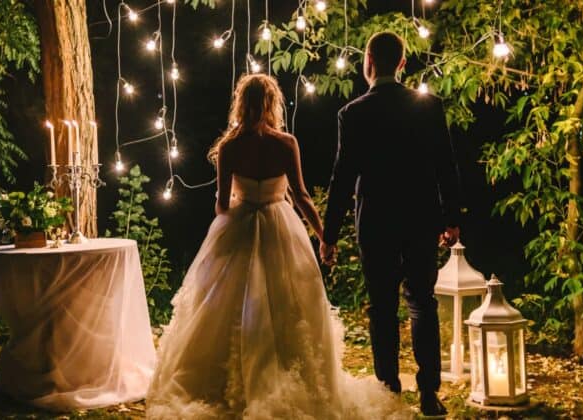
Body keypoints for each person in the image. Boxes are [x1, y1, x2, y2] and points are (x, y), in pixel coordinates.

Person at [146, 74, 410, 419]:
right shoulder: (286, 143)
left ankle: (228, 380)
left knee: (225, 305)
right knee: (288, 303)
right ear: (273, 103)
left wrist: (238, 202)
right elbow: (300, 196)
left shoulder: (229, 146)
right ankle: (284, 372)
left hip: (238, 227)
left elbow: (222, 205)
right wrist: (323, 237)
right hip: (279, 225)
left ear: (241, 103)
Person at [321, 31, 461, 417]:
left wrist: (328, 236)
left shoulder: (353, 114)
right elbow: (446, 166)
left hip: (376, 223)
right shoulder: (428, 106)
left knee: (382, 307)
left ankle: (389, 390)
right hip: (420, 218)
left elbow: (342, 178)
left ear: (368, 61)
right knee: (422, 302)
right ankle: (430, 392)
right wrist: (452, 219)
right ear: (402, 63)